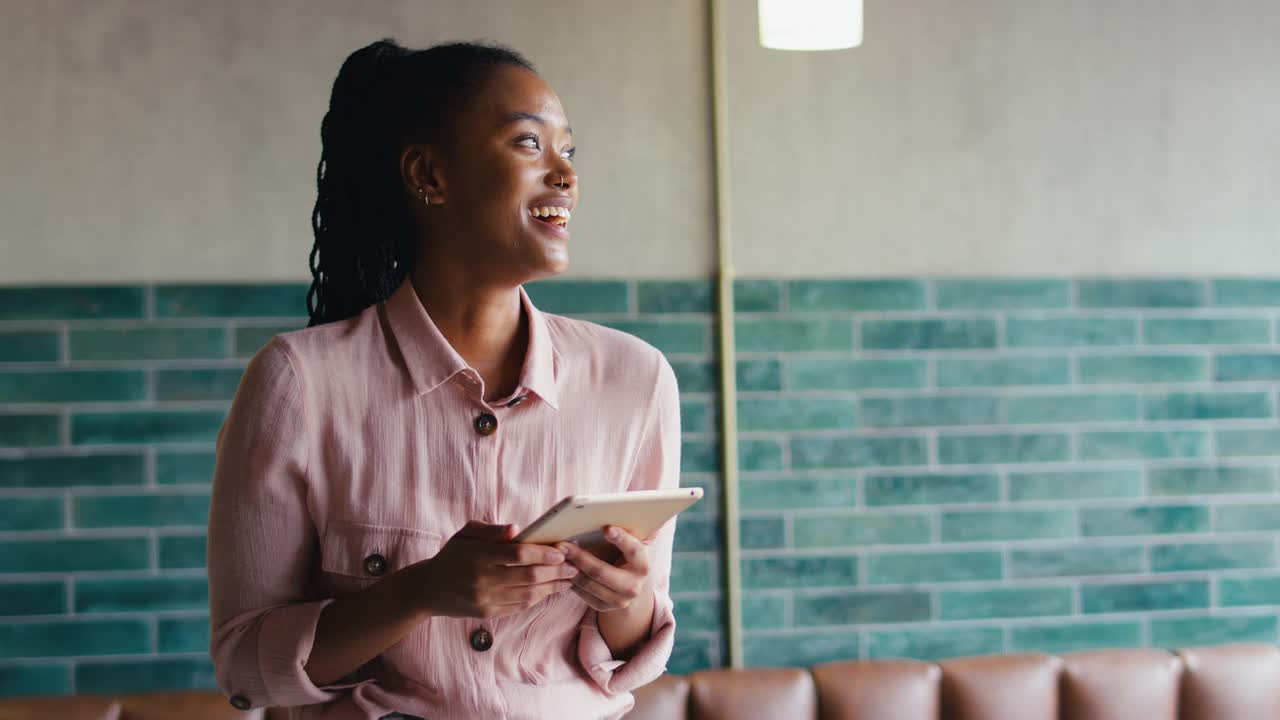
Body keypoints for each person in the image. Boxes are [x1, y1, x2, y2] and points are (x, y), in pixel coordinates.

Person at [206, 39, 680, 720]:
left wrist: (627, 596)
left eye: (569, 152)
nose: (566, 176)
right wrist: (421, 591)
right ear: (430, 174)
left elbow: (628, 656)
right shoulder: (298, 383)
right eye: (528, 144)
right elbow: (247, 666)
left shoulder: (636, 380)